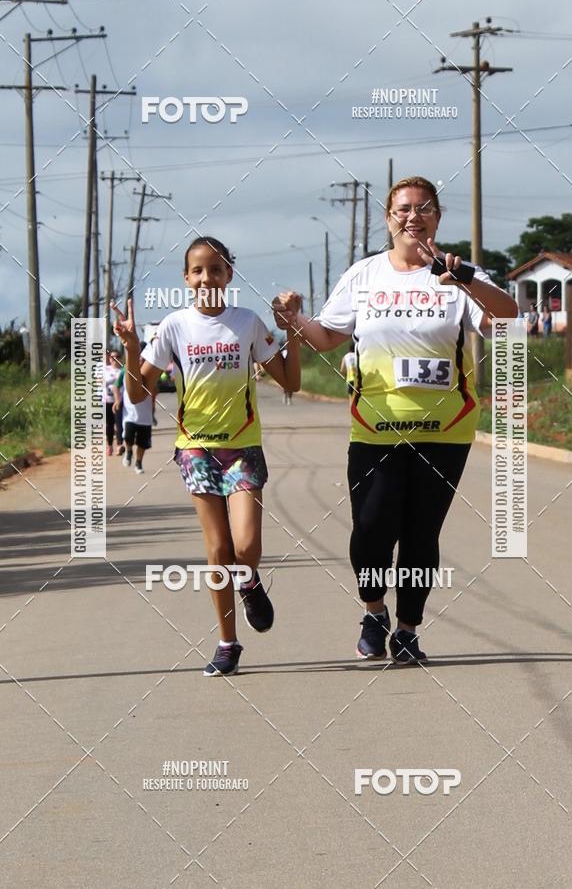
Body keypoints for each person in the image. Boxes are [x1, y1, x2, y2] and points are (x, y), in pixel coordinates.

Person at [274, 175, 517, 665]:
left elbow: (509, 320)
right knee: (370, 529)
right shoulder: (364, 275)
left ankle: (408, 630)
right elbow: (327, 337)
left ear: (437, 218)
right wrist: (292, 320)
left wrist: (467, 280)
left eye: (424, 208)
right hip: (375, 429)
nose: (413, 216)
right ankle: (374, 612)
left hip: (445, 431)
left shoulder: (458, 276)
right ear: (388, 220)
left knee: (421, 535)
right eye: (403, 209)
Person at [113, 236, 300, 676]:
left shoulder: (247, 323)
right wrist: (132, 347)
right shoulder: (173, 327)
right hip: (196, 450)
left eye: (215, 269)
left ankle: (249, 581)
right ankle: (227, 642)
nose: (206, 278)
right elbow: (137, 394)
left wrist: (291, 330)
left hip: (242, 448)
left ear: (228, 275)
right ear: (186, 278)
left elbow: (290, 382)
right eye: (197, 270)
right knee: (218, 549)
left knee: (246, 546)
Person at [121, 341, 155, 475]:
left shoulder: (151, 371)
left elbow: (154, 391)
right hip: (130, 414)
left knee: (142, 443)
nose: (140, 359)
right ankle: (129, 451)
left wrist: (153, 411)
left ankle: (138, 463)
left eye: (142, 356)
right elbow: (116, 386)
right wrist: (117, 400)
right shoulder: (125, 370)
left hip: (145, 415)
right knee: (128, 437)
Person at [103, 350, 122, 456]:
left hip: (119, 401)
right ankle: (109, 446)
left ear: (120, 358)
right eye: (112, 357)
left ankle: (119, 445)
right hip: (107, 401)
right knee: (109, 425)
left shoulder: (122, 370)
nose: (114, 359)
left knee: (119, 424)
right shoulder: (105, 370)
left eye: (117, 357)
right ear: (109, 359)